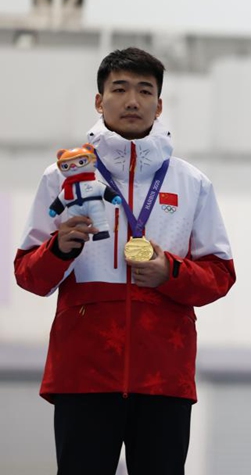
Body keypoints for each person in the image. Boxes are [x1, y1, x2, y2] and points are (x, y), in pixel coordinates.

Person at [14, 47, 236, 474]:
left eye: (144, 90)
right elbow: (28, 275)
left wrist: (169, 272)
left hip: (164, 374)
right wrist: (59, 249)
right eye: (119, 89)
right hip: (84, 371)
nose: (132, 100)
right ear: (99, 101)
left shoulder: (191, 183)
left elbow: (221, 275)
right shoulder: (60, 177)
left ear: (160, 103)